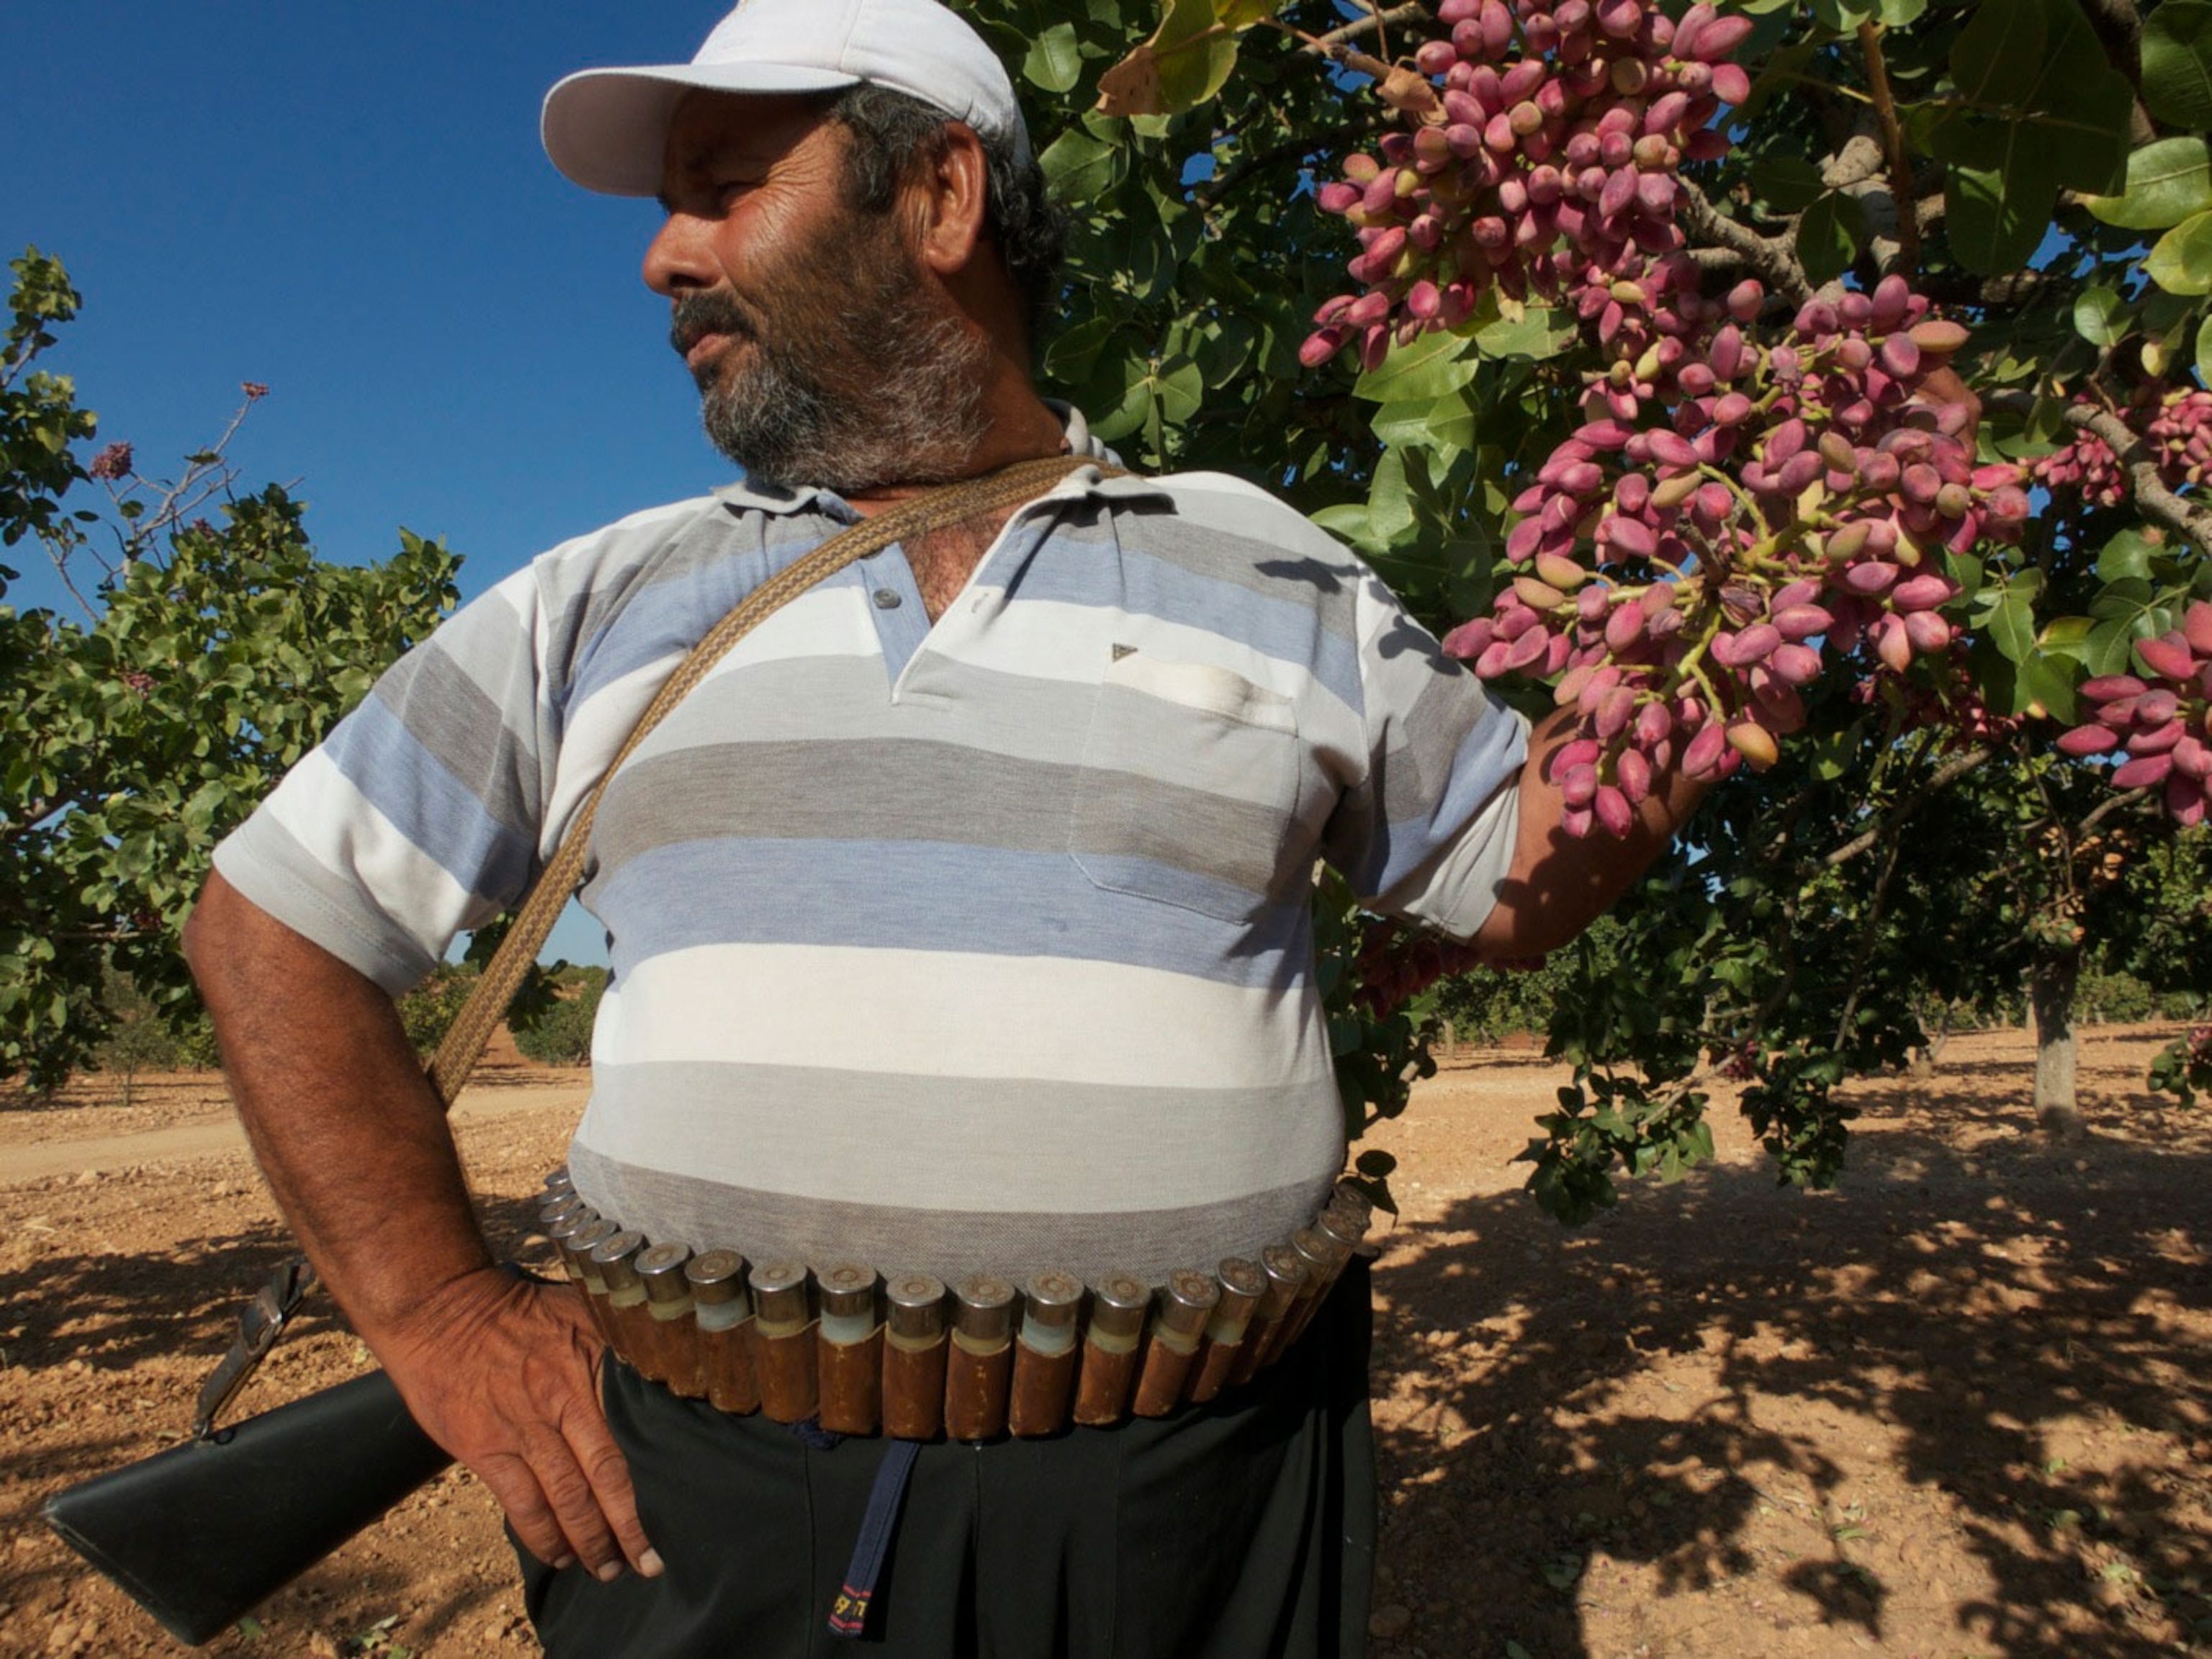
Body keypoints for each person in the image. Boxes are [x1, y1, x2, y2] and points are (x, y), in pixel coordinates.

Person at [182, 1, 1704, 1653]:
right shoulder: (604, 596)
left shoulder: (1266, 563)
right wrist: (440, 1314)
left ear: (942, 197)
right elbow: (273, 917)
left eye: (726, 183)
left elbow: (1511, 874)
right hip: (693, 1505)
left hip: (1188, 1496)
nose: (664, 259)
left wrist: (1746, 594)